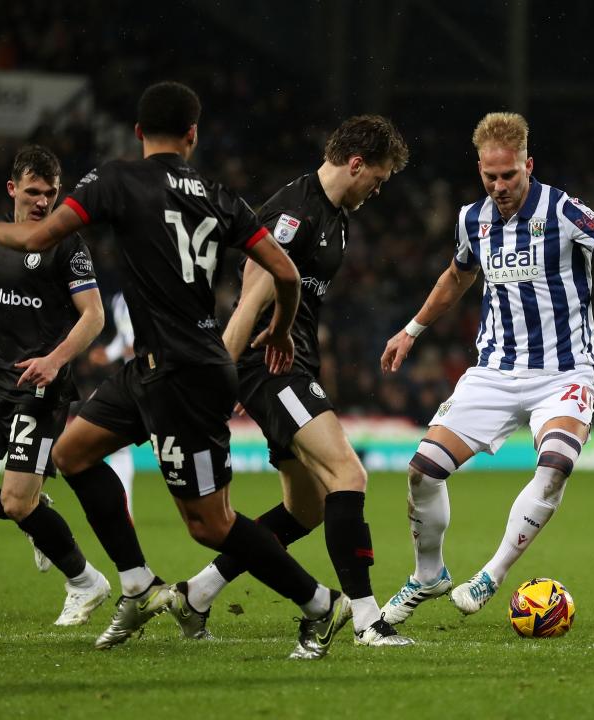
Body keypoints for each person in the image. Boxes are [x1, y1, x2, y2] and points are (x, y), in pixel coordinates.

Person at [0, 82, 349, 660]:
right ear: (193, 134)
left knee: (211, 525)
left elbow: (37, 237)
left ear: (138, 132)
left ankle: (320, 603)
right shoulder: (219, 196)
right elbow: (286, 273)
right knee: (72, 453)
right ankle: (138, 584)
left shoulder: (117, 179)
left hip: (186, 375)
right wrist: (283, 329)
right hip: (157, 366)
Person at [379, 112, 594, 622]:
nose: (500, 186)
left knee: (555, 466)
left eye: (509, 175)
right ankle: (428, 574)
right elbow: (457, 276)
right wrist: (412, 330)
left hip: (564, 372)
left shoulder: (563, 210)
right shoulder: (472, 219)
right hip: (494, 371)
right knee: (423, 471)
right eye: (490, 176)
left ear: (528, 165)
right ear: (480, 170)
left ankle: (492, 573)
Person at [168, 115, 414, 647]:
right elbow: (250, 299)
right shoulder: (292, 215)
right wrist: (220, 380)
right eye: (379, 178)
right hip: (271, 367)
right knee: (348, 474)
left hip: (288, 366)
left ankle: (197, 593)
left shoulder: (335, 218)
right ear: (356, 164)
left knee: (306, 507)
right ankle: (367, 619)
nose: (378, 190)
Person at [0, 145, 110, 625]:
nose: (42, 201)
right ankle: (35, 515)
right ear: (12, 189)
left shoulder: (67, 246)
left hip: (40, 392)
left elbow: (94, 316)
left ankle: (86, 582)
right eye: (33, 191)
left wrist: (55, 361)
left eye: (51, 193)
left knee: (17, 500)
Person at [88, 292, 136, 514]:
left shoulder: (154, 288)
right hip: (134, 380)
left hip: (159, 379)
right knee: (119, 447)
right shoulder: (118, 300)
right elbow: (124, 338)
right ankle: (125, 511)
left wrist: (143, 347)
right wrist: (107, 354)